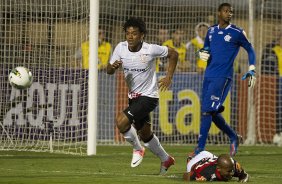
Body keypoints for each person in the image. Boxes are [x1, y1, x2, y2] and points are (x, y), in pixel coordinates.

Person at [106, 17, 178, 175]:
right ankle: (166, 159)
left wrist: (169, 77)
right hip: (134, 97)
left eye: (134, 33)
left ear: (142, 35)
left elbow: (174, 54)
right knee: (145, 134)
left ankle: (138, 149)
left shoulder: (150, 49)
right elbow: (108, 71)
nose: (130, 36)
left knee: (121, 122)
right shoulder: (120, 48)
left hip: (149, 97)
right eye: (128, 33)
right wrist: (112, 67)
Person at [194, 3, 256, 157]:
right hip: (208, 75)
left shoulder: (237, 32)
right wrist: (202, 53)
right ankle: (234, 137)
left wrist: (252, 69)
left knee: (207, 111)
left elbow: (250, 49)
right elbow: (206, 48)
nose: (229, 14)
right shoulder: (211, 31)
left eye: (231, 12)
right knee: (211, 112)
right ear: (219, 13)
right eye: (226, 11)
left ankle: (200, 150)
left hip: (223, 76)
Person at [183, 151, 249, 182]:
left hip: (210, 157)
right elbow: (185, 176)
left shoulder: (232, 165)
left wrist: (243, 180)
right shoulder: (206, 173)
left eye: (232, 170)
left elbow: (245, 175)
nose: (232, 173)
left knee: (221, 160)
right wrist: (197, 180)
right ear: (218, 169)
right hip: (195, 163)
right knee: (189, 167)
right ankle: (190, 158)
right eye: (229, 171)